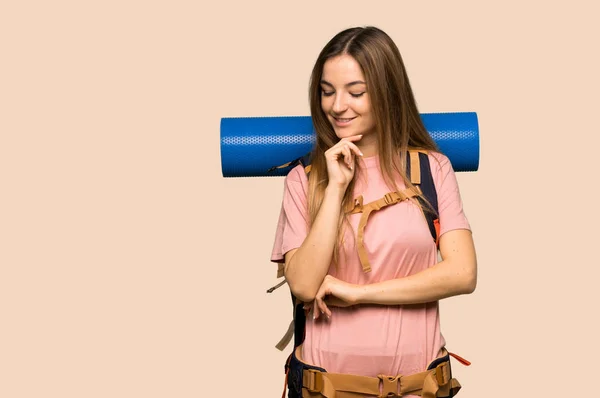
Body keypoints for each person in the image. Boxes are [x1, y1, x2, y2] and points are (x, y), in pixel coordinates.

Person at [270, 26, 477, 398]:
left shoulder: (431, 169)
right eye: (327, 92)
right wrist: (334, 187)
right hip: (327, 389)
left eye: (356, 92)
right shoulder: (305, 178)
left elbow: (463, 274)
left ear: (386, 93)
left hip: (420, 388)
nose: (337, 106)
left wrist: (357, 293)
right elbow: (303, 285)